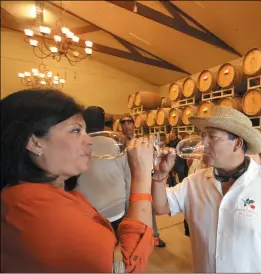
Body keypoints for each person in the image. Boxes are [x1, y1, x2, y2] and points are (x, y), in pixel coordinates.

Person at [0, 88, 155, 272]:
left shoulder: (45, 193)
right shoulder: (37, 210)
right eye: (75, 130)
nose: (89, 140)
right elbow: (129, 267)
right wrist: (143, 174)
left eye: (85, 131)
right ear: (35, 143)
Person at [151, 106, 261, 273]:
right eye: (203, 137)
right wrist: (159, 175)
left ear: (237, 144)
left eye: (212, 137)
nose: (203, 144)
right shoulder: (195, 182)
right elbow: (160, 206)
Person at [77, 106, 131, 236]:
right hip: (116, 209)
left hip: (87, 211)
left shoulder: (77, 145)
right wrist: (128, 204)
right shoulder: (115, 143)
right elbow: (127, 177)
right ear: (103, 123)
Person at [119, 114, 166, 248]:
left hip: (142, 181)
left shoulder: (140, 142)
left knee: (148, 208)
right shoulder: (118, 144)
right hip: (125, 184)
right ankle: (133, 240)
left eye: (129, 122)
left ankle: (154, 236)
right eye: (124, 122)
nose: (126, 125)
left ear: (134, 125)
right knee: (129, 214)